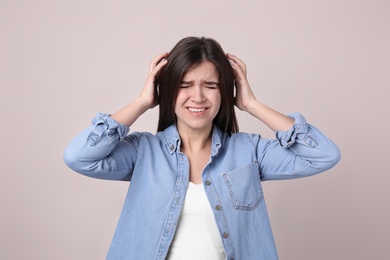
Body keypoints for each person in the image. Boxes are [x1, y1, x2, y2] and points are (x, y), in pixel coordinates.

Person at [64, 36, 340, 260]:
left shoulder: (249, 152)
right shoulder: (144, 152)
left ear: (225, 92)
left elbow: (324, 155)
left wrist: (250, 104)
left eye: (210, 86)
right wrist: (142, 102)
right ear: (169, 91)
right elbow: (78, 157)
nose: (197, 96)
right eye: (184, 85)